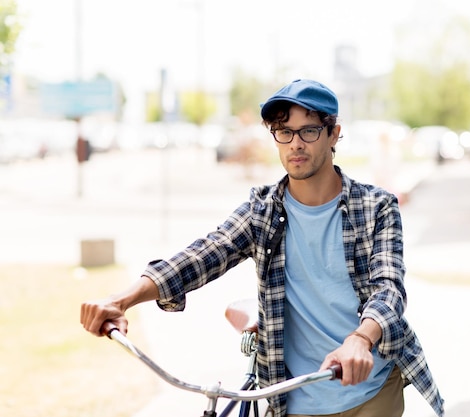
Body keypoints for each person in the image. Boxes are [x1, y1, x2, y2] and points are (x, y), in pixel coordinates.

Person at [80, 79, 445, 417]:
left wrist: (360, 339)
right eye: (284, 132)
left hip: (372, 390)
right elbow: (203, 255)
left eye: (309, 130)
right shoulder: (263, 211)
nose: (296, 144)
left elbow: (388, 288)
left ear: (334, 133)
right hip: (295, 396)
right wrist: (122, 300)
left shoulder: (375, 206)